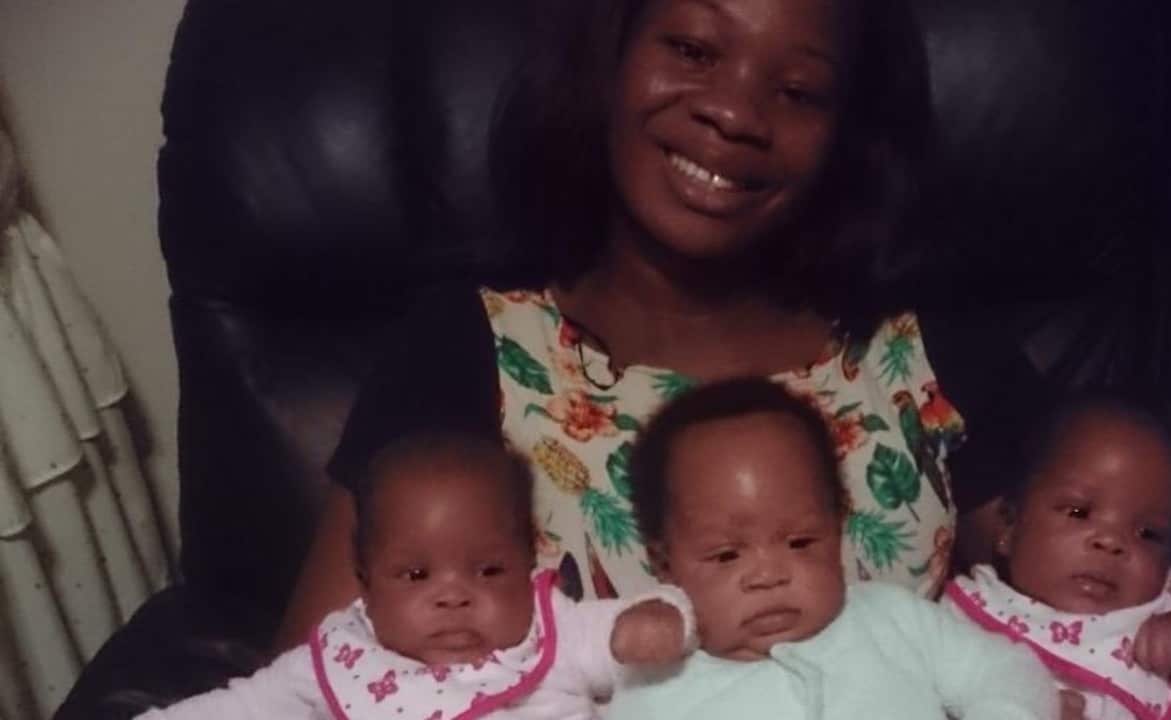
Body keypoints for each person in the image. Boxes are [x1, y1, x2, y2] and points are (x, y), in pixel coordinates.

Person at [276, 0, 1039, 647]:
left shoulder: (924, 341)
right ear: (610, 57)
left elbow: (1098, 610)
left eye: (800, 90)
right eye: (692, 49)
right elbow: (318, 681)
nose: (736, 113)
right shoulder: (465, 345)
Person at [133, 432, 695, 720]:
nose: (453, 595)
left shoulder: (552, 632)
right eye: (417, 574)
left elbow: (630, 632)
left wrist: (661, 619)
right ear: (366, 585)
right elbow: (240, 710)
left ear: (529, 566)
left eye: (489, 570)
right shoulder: (341, 661)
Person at [605, 377, 1058, 719]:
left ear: (838, 528)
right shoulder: (655, 690)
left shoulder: (893, 619)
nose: (769, 575)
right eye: (727, 555)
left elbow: (1008, 672)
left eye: (800, 542)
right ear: (664, 563)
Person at [945, 395, 1171, 720]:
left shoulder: (1170, 610)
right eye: (1078, 512)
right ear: (1008, 526)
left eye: (1148, 534)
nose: (1111, 541)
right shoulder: (965, 621)